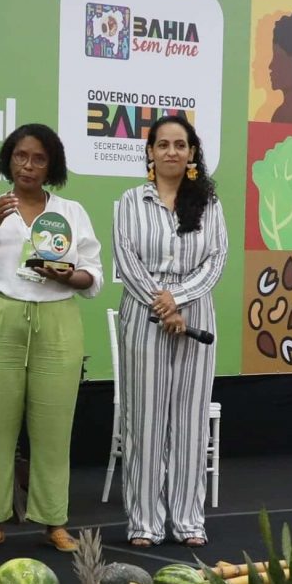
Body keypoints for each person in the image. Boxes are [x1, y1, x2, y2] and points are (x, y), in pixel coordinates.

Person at [0, 124, 100, 553]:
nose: (28, 166)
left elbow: (94, 276)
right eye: (20, 156)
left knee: (54, 427)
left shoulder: (71, 212)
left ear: (51, 165)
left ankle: (53, 521)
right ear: (8, 160)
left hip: (57, 320)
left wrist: (69, 274)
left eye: (38, 159)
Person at [112, 114, 226, 548]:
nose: (172, 152)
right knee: (144, 421)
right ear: (151, 152)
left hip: (195, 317)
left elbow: (215, 260)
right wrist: (163, 304)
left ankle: (188, 519)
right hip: (144, 317)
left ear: (192, 152)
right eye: (163, 145)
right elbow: (126, 259)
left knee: (190, 422)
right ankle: (144, 522)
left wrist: (177, 299)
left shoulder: (209, 203)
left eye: (180, 145)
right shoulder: (129, 201)